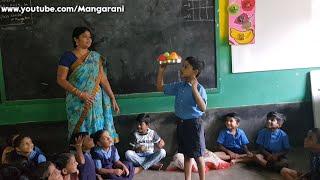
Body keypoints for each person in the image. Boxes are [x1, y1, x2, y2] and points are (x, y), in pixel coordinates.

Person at [57, 26, 120, 141]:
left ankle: (97, 155)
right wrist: (81, 94)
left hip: (95, 101)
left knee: (98, 130)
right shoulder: (68, 56)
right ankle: (81, 156)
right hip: (77, 102)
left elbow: (103, 79)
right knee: (79, 133)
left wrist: (112, 97)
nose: (88, 39)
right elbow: (61, 79)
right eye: (84, 37)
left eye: (90, 37)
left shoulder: (95, 57)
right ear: (76, 39)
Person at [156, 56, 207, 180]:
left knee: (198, 156)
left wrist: (194, 88)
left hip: (194, 125)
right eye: (182, 66)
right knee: (186, 155)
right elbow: (160, 87)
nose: (181, 69)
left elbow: (203, 108)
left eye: (185, 67)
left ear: (195, 72)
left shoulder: (200, 88)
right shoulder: (179, 86)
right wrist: (161, 71)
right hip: (181, 124)